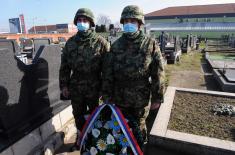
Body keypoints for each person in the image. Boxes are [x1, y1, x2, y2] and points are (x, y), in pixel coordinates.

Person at [109, 5, 165, 149]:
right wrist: (107, 94)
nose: (129, 24)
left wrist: (157, 97)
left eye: (132, 21)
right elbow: (108, 72)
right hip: (120, 97)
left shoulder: (150, 44)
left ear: (139, 23)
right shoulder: (116, 46)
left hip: (141, 98)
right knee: (121, 129)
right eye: (126, 21)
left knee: (139, 130)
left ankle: (140, 150)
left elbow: (158, 72)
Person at [59, 8, 111, 150]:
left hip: (95, 87)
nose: (82, 23)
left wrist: (105, 90)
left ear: (91, 22)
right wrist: (64, 86)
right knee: (78, 115)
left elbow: (107, 70)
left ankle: (97, 142)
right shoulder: (70, 43)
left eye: (85, 20)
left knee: (97, 116)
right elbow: (64, 67)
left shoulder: (101, 43)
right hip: (76, 87)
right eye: (79, 21)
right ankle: (80, 140)